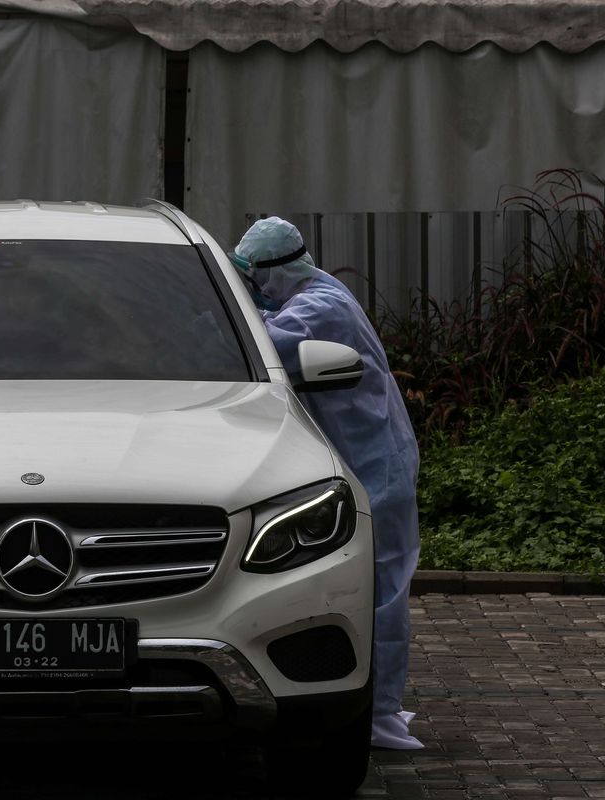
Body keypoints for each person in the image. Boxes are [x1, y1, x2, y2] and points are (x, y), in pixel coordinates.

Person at [230, 216, 423, 750]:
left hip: (376, 466)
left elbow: (267, 345)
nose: (255, 287)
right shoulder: (315, 291)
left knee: (381, 591)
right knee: (377, 586)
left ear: (276, 269)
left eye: (254, 276)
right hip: (371, 458)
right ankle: (382, 704)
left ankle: (381, 714)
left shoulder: (322, 307)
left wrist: (211, 313)